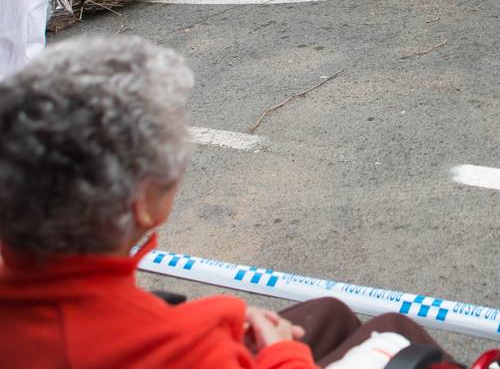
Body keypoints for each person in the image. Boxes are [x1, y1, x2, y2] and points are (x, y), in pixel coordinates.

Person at [0, 35, 471, 368]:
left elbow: (92, 312)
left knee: (327, 311)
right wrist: (280, 353)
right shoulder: (182, 351)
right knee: (392, 328)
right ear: (143, 204)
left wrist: (214, 315)